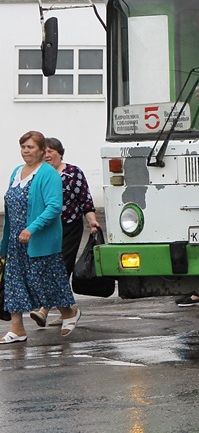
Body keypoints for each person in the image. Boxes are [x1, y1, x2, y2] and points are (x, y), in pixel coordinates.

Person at [1, 131, 80, 342]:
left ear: (42, 150)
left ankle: (68, 312)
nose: (26, 151)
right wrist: (6, 240)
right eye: (23, 147)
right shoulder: (17, 172)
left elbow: (54, 207)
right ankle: (17, 328)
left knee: (46, 283)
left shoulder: (48, 174)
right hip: (16, 242)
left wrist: (31, 229)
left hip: (39, 240)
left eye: (30, 147)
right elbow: (10, 207)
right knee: (14, 283)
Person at [29, 138, 100, 328]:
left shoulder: (72, 173)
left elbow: (85, 198)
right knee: (47, 267)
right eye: (44, 151)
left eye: (51, 151)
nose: (47, 155)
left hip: (69, 227)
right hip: (46, 229)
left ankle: (44, 309)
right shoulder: (38, 173)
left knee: (60, 267)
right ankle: (69, 311)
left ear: (60, 153)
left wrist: (92, 220)